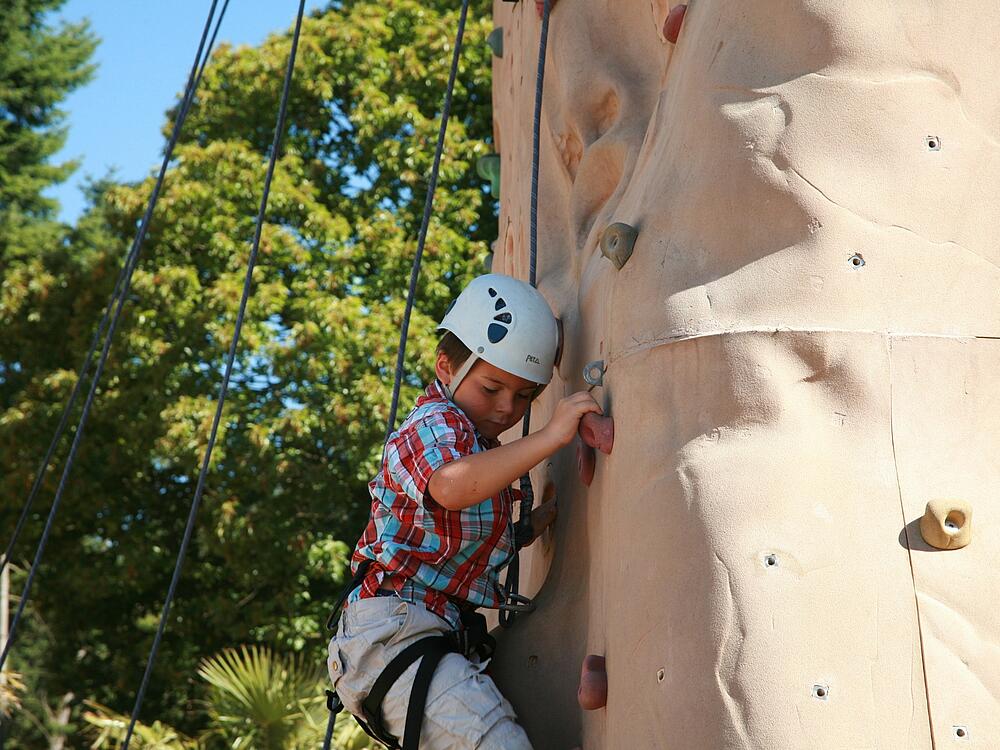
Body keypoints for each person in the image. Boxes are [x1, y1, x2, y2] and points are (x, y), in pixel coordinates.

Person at [326, 273, 602, 749]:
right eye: (492, 387)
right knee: (495, 741)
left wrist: (533, 526)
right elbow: (450, 487)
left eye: (525, 396)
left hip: (419, 634)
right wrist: (551, 436)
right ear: (446, 367)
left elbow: (451, 538)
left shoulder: (478, 445)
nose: (506, 408)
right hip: (390, 632)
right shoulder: (434, 423)